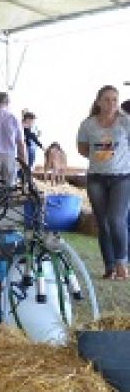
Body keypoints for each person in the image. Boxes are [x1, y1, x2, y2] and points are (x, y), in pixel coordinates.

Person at [76, 85, 130, 280]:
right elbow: (82, 149)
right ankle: (109, 266)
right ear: (98, 102)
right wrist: (101, 155)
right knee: (103, 222)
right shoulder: (88, 124)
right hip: (96, 177)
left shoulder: (126, 122)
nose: (111, 103)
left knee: (116, 219)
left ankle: (122, 263)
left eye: (115, 100)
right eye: (107, 99)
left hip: (122, 177)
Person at [22, 111, 44, 178]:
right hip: (24, 149)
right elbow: (32, 136)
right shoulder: (23, 127)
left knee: (27, 166)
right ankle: (26, 179)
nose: (33, 123)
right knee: (27, 166)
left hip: (26, 147)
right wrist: (42, 146)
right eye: (33, 121)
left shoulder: (26, 127)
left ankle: (26, 179)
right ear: (28, 120)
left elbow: (32, 136)